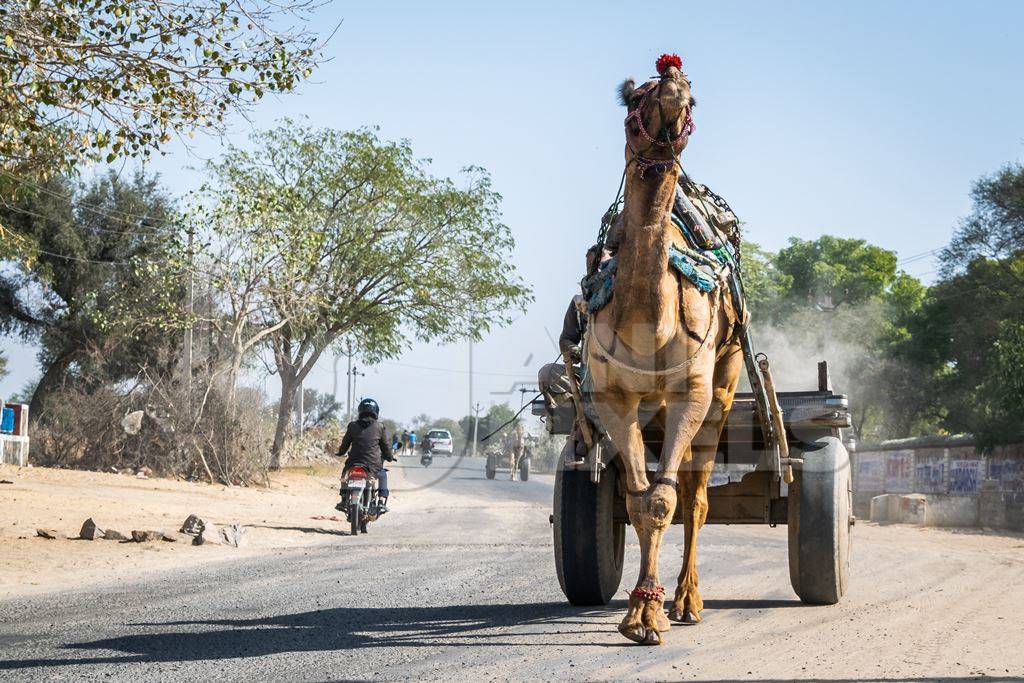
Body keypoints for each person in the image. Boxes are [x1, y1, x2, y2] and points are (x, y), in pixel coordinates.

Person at [336, 397, 394, 511]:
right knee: (382, 475)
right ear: (376, 412)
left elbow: (345, 444)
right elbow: (385, 447)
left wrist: (341, 452)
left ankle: (343, 499)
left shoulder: (352, 425)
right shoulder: (380, 427)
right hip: (373, 465)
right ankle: (381, 501)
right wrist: (389, 457)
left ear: (360, 411)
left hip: (353, 463)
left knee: (344, 475)